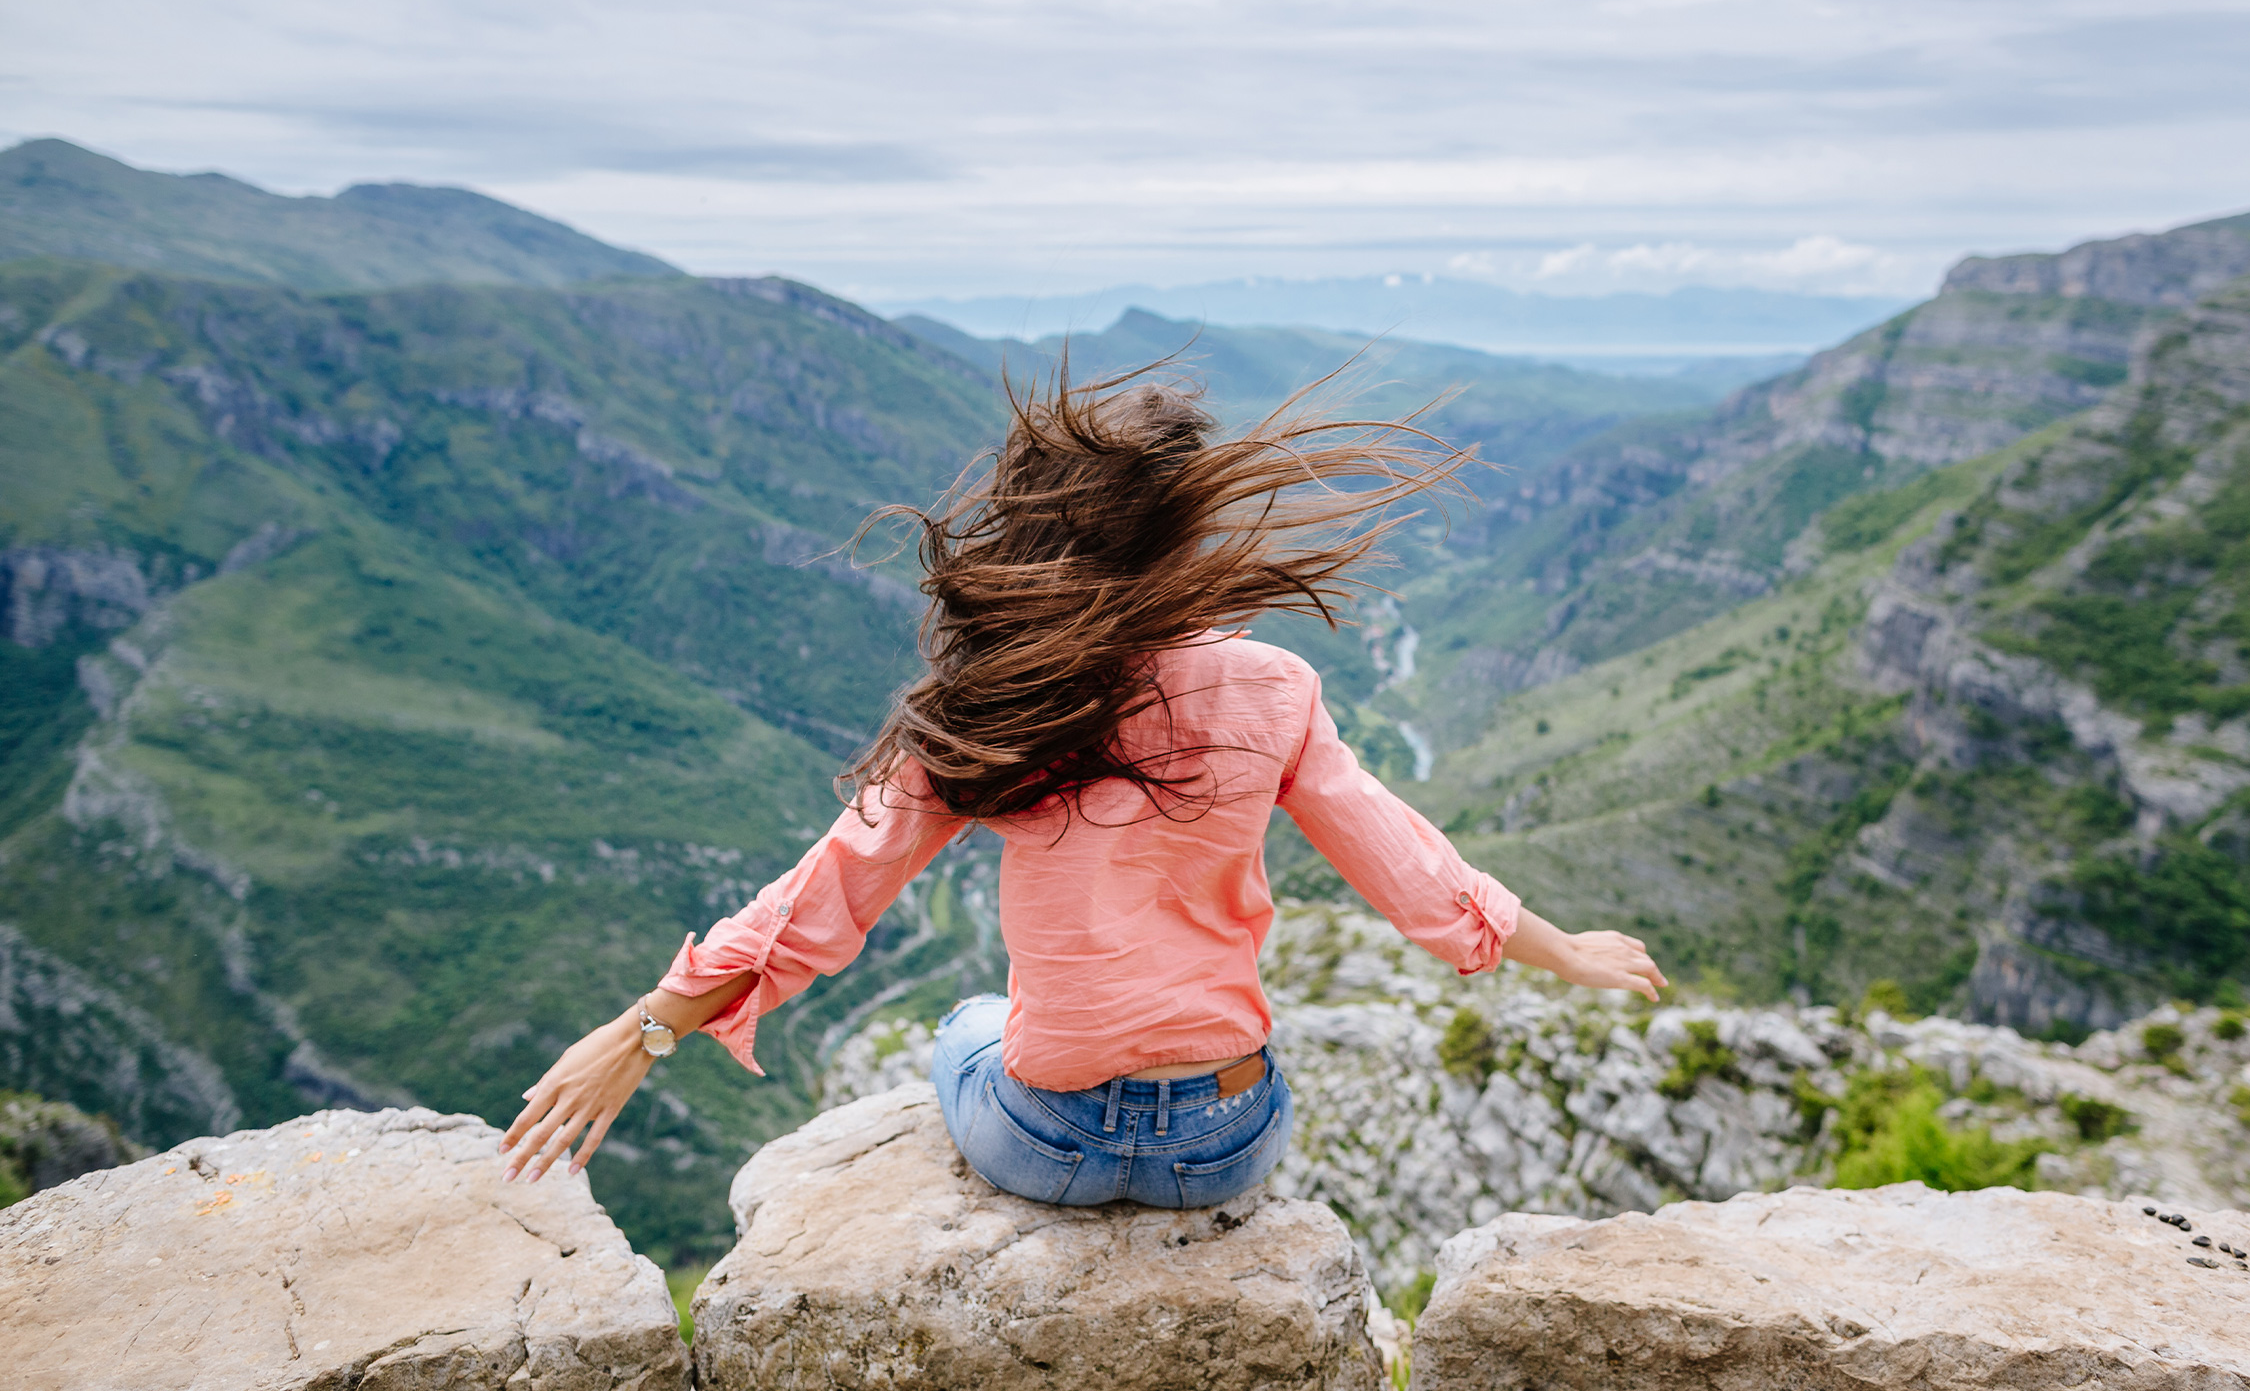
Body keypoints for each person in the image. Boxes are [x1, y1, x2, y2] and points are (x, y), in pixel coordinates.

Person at [500, 368, 1667, 1201]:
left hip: (1043, 1143)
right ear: (1184, 532)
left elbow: (824, 896)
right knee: (1164, 1045)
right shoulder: (1273, 686)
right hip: (1226, 1140)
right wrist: (1565, 949)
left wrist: (644, 1030)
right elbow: (1407, 865)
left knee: (968, 1021)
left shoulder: (1001, 707)